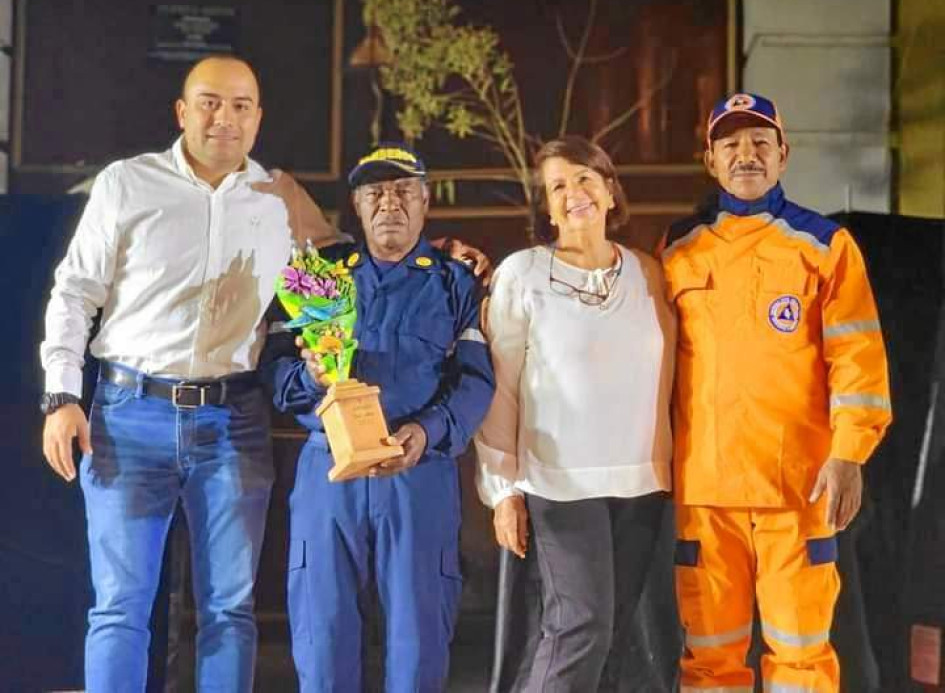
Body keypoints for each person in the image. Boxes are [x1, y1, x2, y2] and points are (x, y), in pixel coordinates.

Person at [37, 55, 349, 692]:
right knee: (120, 607)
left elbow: (336, 277)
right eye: (209, 102)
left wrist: (437, 257)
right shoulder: (128, 183)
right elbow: (75, 292)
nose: (224, 118)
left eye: (240, 106)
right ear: (182, 112)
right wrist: (62, 394)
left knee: (230, 610)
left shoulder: (279, 198)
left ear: (257, 119)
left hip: (233, 422)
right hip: (128, 417)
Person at [662, 92, 892, 691]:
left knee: (802, 658)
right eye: (731, 144)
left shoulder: (824, 245)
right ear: (710, 160)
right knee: (709, 660)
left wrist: (849, 456)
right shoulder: (677, 248)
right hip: (705, 490)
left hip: (798, 488)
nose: (747, 155)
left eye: (760, 143)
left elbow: (858, 359)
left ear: (783, 155)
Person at [264, 142, 496, 692]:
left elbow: (476, 381)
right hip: (329, 470)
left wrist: (427, 431)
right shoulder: (318, 280)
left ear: (425, 201)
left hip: (417, 472)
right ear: (357, 205)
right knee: (322, 632)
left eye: (403, 191)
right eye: (375, 193)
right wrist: (310, 377)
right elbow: (273, 374)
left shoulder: (456, 282)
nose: (389, 203)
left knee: (419, 638)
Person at [475, 136, 675, 691]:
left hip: (641, 484)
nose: (573, 193)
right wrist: (503, 489)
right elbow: (501, 390)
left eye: (584, 178)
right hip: (558, 483)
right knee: (579, 627)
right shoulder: (522, 274)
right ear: (547, 208)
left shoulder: (649, 273)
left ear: (610, 191)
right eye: (557, 186)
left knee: (612, 638)